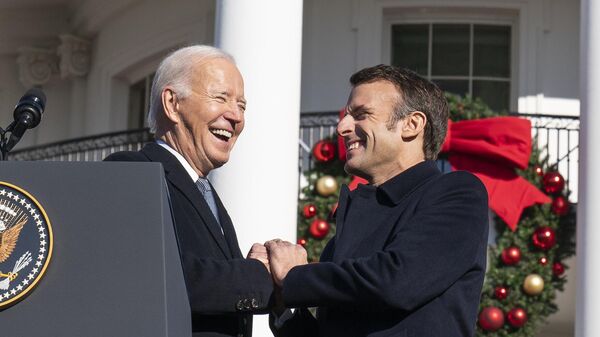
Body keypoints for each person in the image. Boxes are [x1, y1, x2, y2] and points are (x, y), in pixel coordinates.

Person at [263, 64, 489, 337]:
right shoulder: (344, 232)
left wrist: (292, 276)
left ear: (412, 125)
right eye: (347, 116)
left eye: (361, 115)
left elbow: (399, 281)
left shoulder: (457, 192)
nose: (342, 127)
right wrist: (281, 305)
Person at [105, 45, 273, 337]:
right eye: (221, 98)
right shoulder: (131, 172)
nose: (236, 116)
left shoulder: (206, 194)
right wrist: (257, 274)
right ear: (172, 103)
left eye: (242, 106)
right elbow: (159, 276)